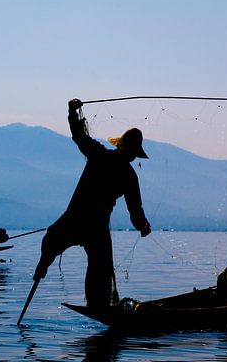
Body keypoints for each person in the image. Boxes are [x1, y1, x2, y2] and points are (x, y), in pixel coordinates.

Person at [32, 99, 151, 308]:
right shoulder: (126, 174)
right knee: (100, 267)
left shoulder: (100, 156)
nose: (133, 157)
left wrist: (72, 112)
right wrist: (142, 227)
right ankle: (98, 304)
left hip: (78, 219)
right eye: (134, 153)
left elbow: (79, 136)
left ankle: (43, 268)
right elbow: (135, 210)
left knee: (53, 242)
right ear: (132, 152)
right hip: (93, 224)